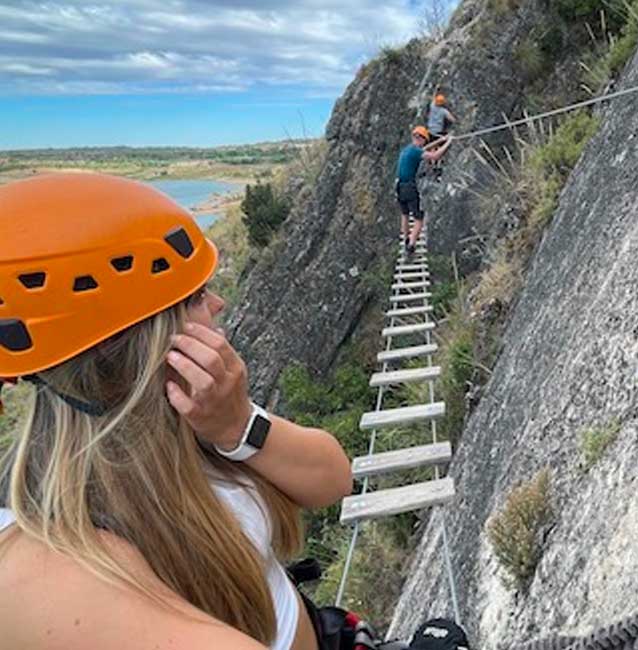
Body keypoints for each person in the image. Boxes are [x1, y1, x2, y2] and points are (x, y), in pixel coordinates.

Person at [0, 173, 353, 650]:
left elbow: (332, 480)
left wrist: (238, 425)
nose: (218, 302)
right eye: (194, 297)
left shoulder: (195, 410)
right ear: (140, 343)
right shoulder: (43, 552)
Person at [396, 126, 452, 258]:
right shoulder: (416, 151)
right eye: (424, 140)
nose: (424, 143)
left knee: (404, 215)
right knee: (419, 219)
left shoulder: (406, 150)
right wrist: (448, 142)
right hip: (410, 187)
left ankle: (406, 240)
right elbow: (435, 155)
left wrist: (440, 140)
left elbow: (423, 150)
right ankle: (411, 246)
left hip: (399, 186)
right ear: (420, 139)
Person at [425, 94, 456, 182]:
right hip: (439, 133)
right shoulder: (443, 111)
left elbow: (432, 99)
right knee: (439, 150)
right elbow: (452, 119)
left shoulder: (432, 106)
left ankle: (430, 167)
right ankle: (437, 169)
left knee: (431, 148)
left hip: (430, 132)